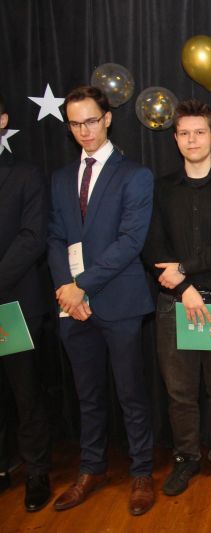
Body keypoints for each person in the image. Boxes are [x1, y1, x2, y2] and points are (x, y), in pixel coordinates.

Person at [47, 85, 155, 515]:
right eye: (75, 124)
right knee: (87, 395)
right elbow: (55, 239)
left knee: (131, 394)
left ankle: (142, 471)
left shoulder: (135, 175)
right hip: (73, 306)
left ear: (107, 118)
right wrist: (67, 290)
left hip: (119, 302)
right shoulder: (60, 179)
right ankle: (91, 469)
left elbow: (130, 241)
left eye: (91, 121)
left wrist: (83, 285)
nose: (84, 131)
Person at [143, 99, 211, 496]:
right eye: (184, 133)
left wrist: (185, 269)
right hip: (175, 305)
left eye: (200, 132)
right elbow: (152, 246)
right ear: (175, 139)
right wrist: (184, 288)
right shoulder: (161, 189)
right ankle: (186, 458)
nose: (192, 140)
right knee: (180, 393)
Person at [0, 93, 52, 512]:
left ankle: (37, 471)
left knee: (26, 394)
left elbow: (33, 238)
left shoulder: (26, 175)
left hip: (14, 304)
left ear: (2, 121)